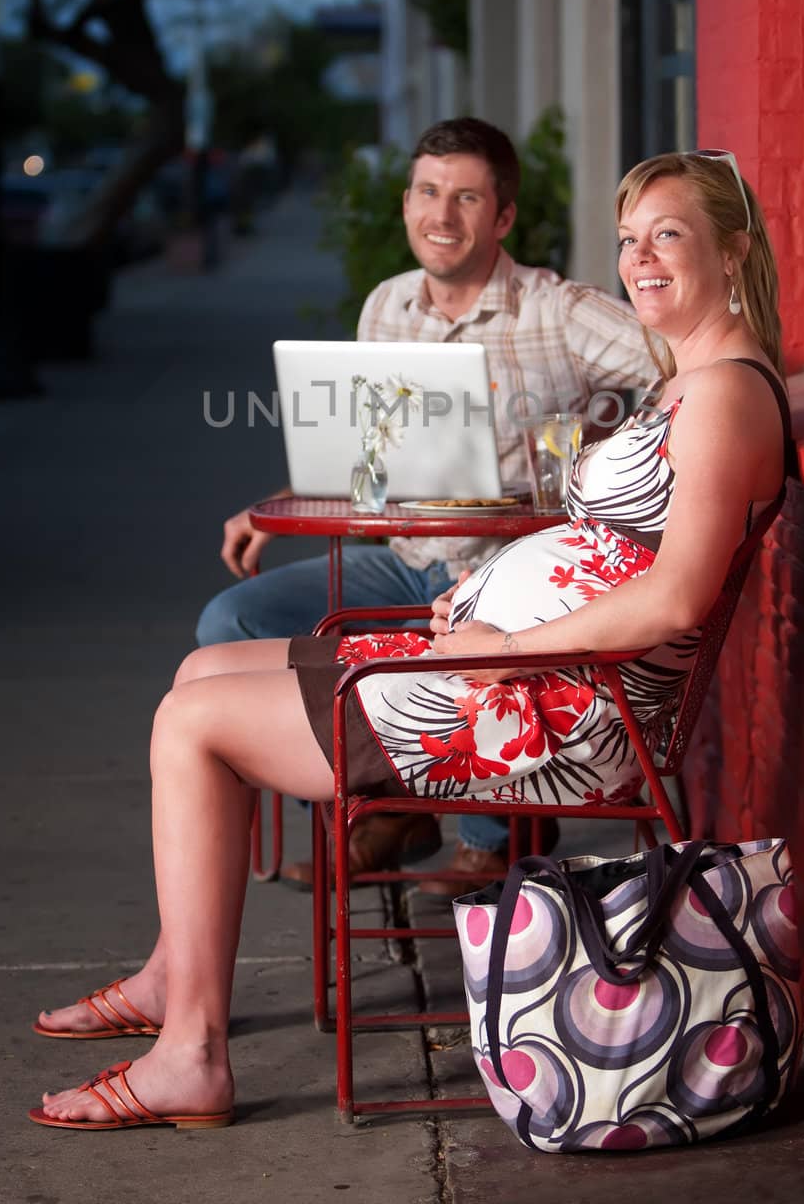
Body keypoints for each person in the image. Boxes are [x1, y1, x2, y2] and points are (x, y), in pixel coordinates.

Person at [30, 148, 791, 1131]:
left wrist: (496, 645)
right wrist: (486, 602)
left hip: (555, 712)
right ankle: (178, 971)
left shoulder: (725, 395)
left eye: (668, 236)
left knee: (192, 725)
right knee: (202, 666)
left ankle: (192, 1051)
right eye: (630, 239)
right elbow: (614, 549)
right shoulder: (690, 382)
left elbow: (674, 600)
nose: (639, 259)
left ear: (733, 251)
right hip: (522, 677)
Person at [197, 115, 655, 889]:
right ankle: (384, 811)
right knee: (231, 621)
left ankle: (490, 844)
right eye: (428, 192)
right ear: (407, 201)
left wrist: (608, 453)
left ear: (501, 217)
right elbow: (368, 456)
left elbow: (684, 364)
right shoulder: (388, 306)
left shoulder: (556, 309)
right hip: (407, 562)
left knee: (493, 637)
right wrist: (275, 502)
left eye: (467, 198)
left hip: (503, 580)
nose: (442, 216)